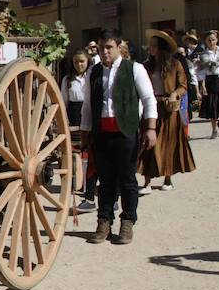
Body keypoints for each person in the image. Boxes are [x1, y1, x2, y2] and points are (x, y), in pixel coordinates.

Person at [80, 29, 158, 245]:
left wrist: (150, 128)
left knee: (127, 180)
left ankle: (128, 222)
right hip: (102, 133)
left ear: (118, 47)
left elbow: (149, 99)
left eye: (109, 48)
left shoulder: (134, 69)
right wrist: (85, 133)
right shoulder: (93, 72)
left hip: (126, 132)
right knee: (105, 180)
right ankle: (104, 221)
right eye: (101, 48)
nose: (104, 52)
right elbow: (87, 106)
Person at [138, 30, 196, 193]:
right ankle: (147, 181)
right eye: (150, 47)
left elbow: (183, 85)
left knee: (169, 143)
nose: (151, 49)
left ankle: (168, 178)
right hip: (151, 106)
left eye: (154, 47)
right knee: (147, 142)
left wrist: (174, 94)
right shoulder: (145, 66)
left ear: (162, 48)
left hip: (169, 110)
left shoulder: (175, 65)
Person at [61, 50, 98, 212]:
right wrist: (65, 122)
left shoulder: (92, 77)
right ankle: (77, 183)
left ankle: (90, 186)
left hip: (89, 112)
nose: (79, 65)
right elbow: (63, 101)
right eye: (76, 62)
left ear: (87, 61)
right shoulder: (67, 80)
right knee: (75, 153)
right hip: (74, 115)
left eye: (82, 61)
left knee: (90, 154)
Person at [196, 30, 219, 138]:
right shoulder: (204, 55)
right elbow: (202, 71)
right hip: (210, 81)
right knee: (212, 107)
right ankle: (214, 130)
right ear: (206, 42)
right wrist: (202, 86)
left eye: (213, 40)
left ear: (217, 40)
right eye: (209, 40)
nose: (211, 42)